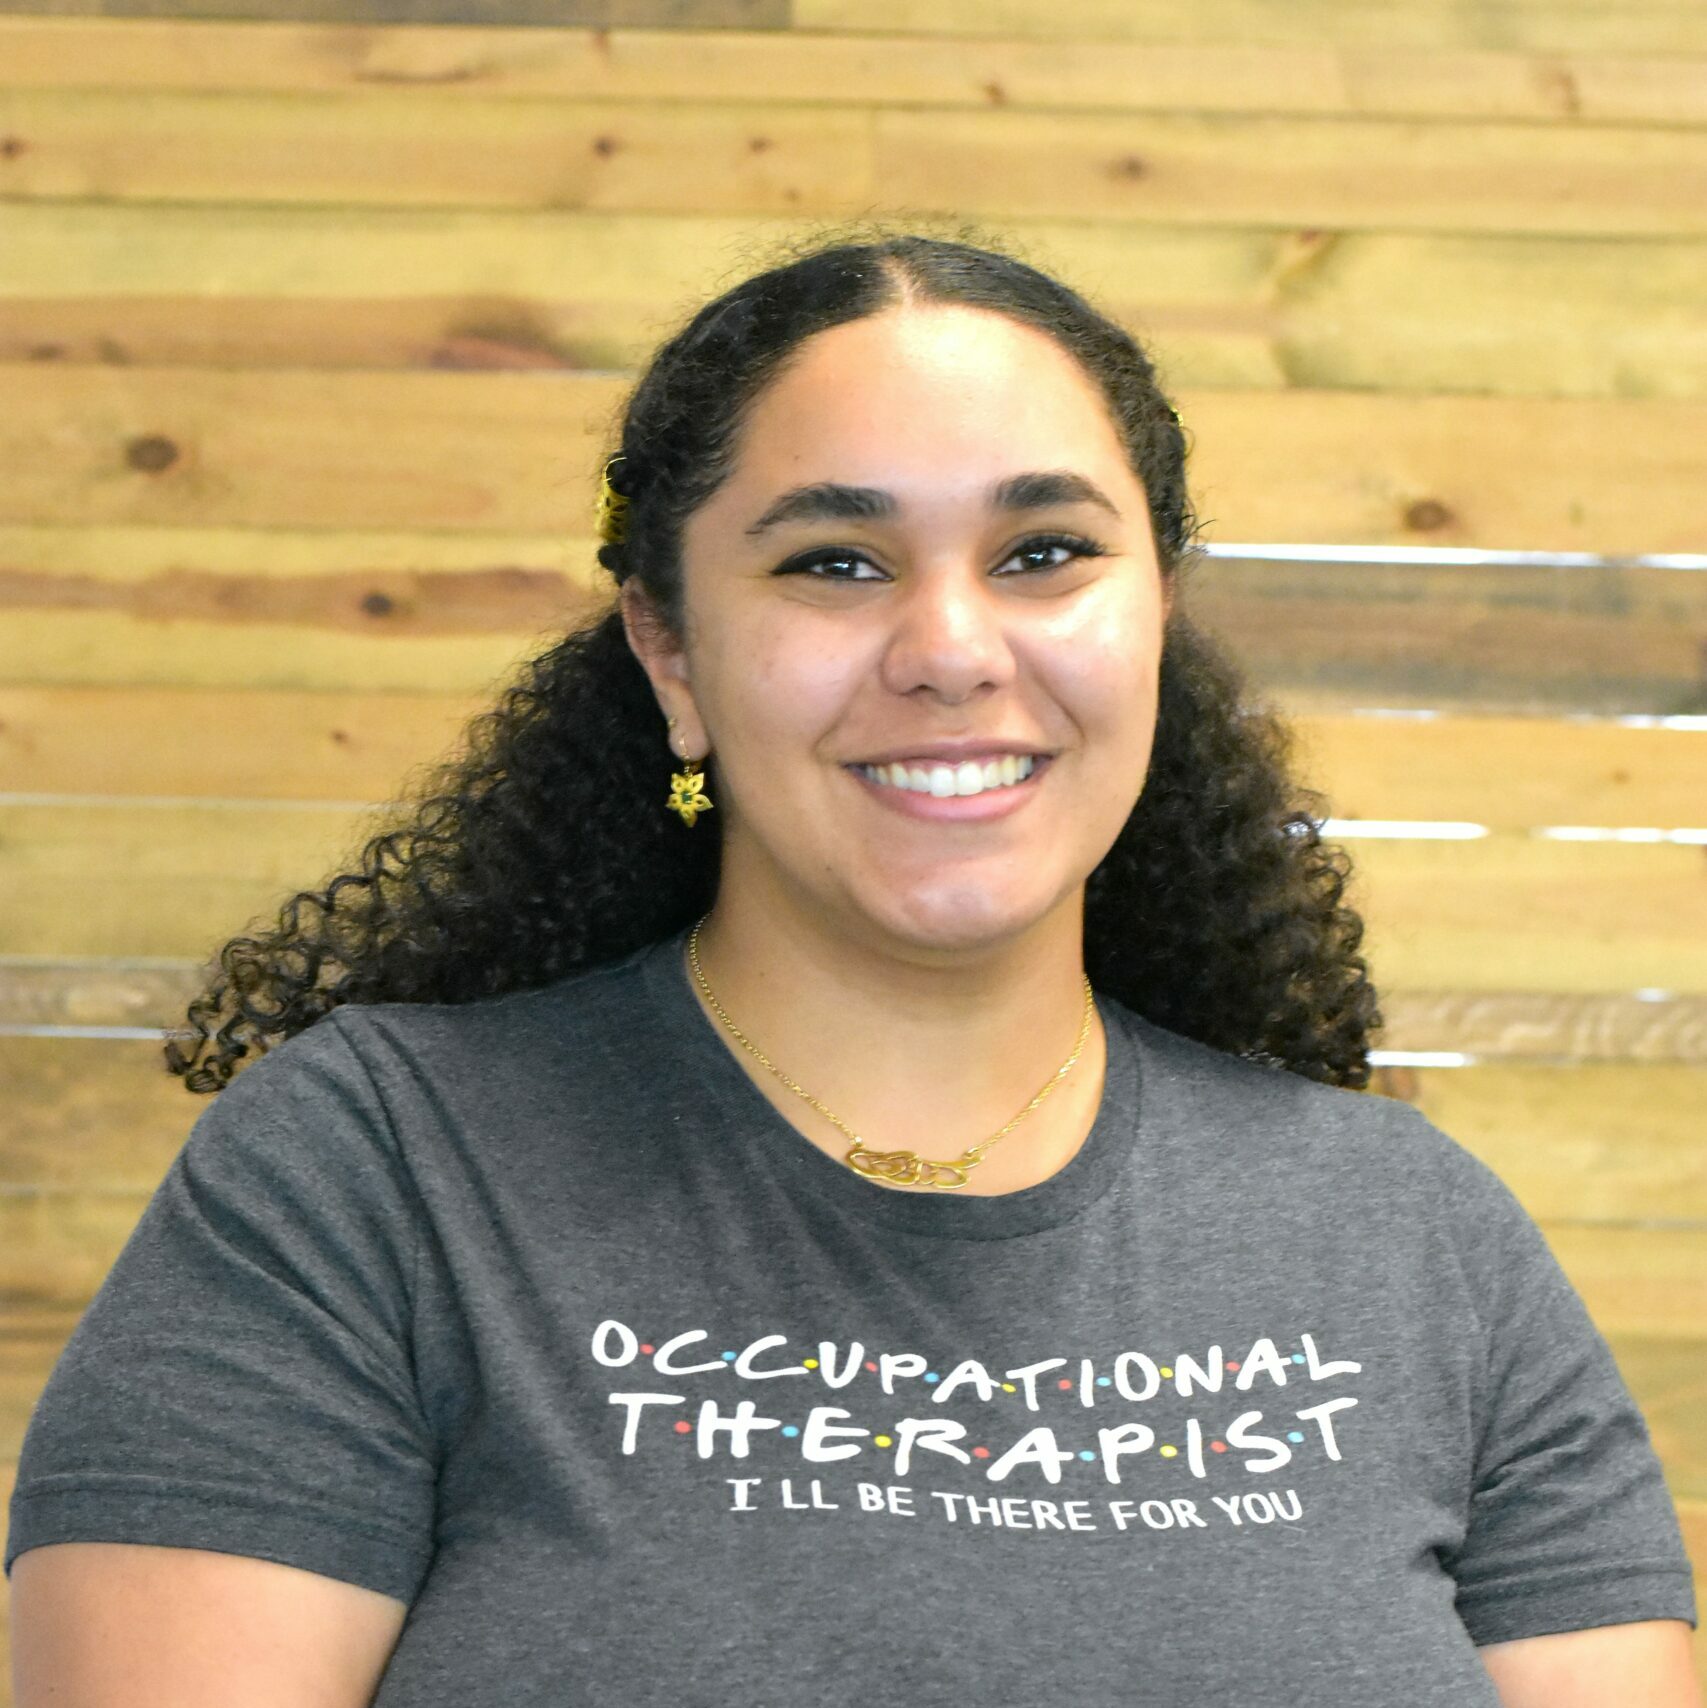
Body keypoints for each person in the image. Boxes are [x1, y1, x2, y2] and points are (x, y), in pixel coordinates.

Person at [5, 224, 1699, 1708]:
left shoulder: (1413, 1237)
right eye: (835, 563)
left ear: (1157, 620)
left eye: (1045, 552)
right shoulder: (376, 1173)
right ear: (670, 652)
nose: (952, 649)